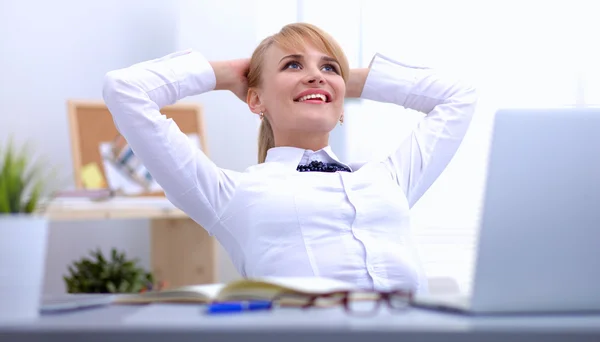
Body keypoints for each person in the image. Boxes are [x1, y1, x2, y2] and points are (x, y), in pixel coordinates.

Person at [102, 23, 477, 294]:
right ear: (256, 101)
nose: (315, 75)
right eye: (292, 65)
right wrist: (225, 74)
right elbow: (125, 90)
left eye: (327, 66)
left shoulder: (388, 179)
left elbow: (458, 97)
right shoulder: (231, 194)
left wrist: (343, 83)